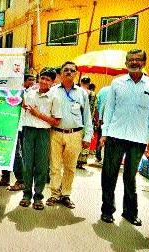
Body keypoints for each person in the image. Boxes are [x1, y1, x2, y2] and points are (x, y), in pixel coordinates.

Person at [99, 49, 149, 226]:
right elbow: (109, 109)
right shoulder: (117, 83)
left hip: (139, 138)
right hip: (115, 136)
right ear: (126, 63)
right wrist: (104, 133)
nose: (134, 62)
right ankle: (107, 210)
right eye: (131, 59)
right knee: (109, 174)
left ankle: (130, 212)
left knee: (130, 177)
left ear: (144, 63)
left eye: (138, 59)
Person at [46, 61, 93, 209]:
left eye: (72, 70)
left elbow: (87, 116)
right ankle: (54, 194)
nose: (69, 72)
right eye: (65, 70)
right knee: (54, 166)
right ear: (60, 73)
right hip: (55, 133)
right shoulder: (52, 91)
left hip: (75, 134)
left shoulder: (82, 93)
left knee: (70, 167)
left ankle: (65, 194)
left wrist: (87, 136)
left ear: (76, 74)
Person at [20, 68, 61, 209]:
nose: (44, 81)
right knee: (27, 165)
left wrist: (38, 114)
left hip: (43, 133)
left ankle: (38, 196)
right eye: (42, 78)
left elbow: (56, 121)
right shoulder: (29, 94)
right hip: (28, 131)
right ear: (38, 78)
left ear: (52, 82)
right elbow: (21, 106)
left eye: (48, 79)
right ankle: (26, 194)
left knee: (42, 166)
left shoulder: (54, 98)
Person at [0, 74, 34, 190]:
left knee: (15, 154)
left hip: (16, 127)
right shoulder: (5, 91)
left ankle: (21, 180)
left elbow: (26, 106)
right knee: (4, 152)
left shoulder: (25, 92)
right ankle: (5, 178)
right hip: (4, 125)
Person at [76, 76, 97, 169]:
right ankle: (81, 162)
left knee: (76, 140)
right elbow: (94, 108)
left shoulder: (76, 91)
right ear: (89, 83)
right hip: (88, 121)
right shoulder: (92, 94)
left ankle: (74, 159)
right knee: (85, 139)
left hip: (76, 121)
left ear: (81, 82)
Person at [95, 85, 111, 163]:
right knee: (109, 139)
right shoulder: (119, 91)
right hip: (112, 121)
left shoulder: (103, 90)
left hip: (101, 118)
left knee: (100, 138)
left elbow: (97, 104)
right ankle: (105, 158)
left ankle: (98, 156)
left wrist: (97, 118)